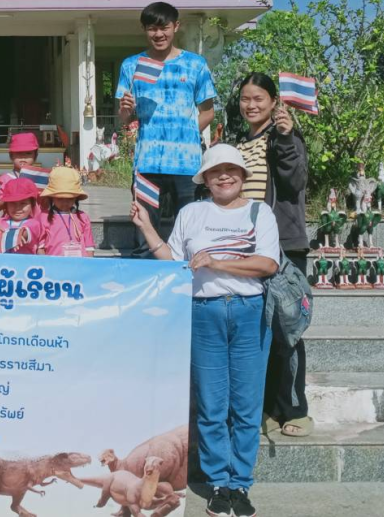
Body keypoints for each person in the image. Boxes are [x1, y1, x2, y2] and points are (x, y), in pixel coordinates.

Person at [131, 143, 279, 517]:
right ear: (206, 179)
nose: (224, 176)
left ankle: (240, 484)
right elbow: (175, 263)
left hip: (248, 312)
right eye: (216, 171)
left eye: (231, 170)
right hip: (203, 313)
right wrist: (148, 229)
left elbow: (267, 264)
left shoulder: (260, 213)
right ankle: (217, 484)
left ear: (243, 176)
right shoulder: (192, 213)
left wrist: (218, 262)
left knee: (246, 406)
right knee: (212, 407)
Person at [231, 72, 311, 438]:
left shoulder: (286, 137)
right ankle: (262, 407)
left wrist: (285, 137)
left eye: (259, 99)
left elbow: (294, 182)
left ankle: (294, 408)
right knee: (253, 332)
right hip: (249, 248)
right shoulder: (238, 142)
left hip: (284, 247)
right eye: (246, 98)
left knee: (287, 330)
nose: (251, 105)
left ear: (274, 101)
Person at [116, 1, 217, 252]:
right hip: (148, 163)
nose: (158, 34)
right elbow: (125, 118)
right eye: (152, 28)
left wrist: (186, 135)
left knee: (191, 232)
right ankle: (145, 281)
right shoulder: (131, 65)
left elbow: (208, 111)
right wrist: (127, 110)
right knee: (144, 231)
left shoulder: (195, 64)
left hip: (187, 166)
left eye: (165, 28)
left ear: (176, 27)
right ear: (144, 30)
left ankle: (189, 285)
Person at [40, 166, 95, 256]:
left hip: (79, 266)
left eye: (69, 198)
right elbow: (40, 248)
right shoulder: (44, 217)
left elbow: (89, 247)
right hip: (54, 266)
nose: (65, 202)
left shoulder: (83, 217)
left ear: (76, 198)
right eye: (60, 198)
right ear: (52, 197)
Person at [0, 177, 46, 254]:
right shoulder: (0, 222)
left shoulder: (34, 223)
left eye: (23, 203)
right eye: (12, 203)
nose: (18, 208)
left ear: (32, 204)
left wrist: (16, 236)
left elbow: (24, 233)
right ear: (6, 205)